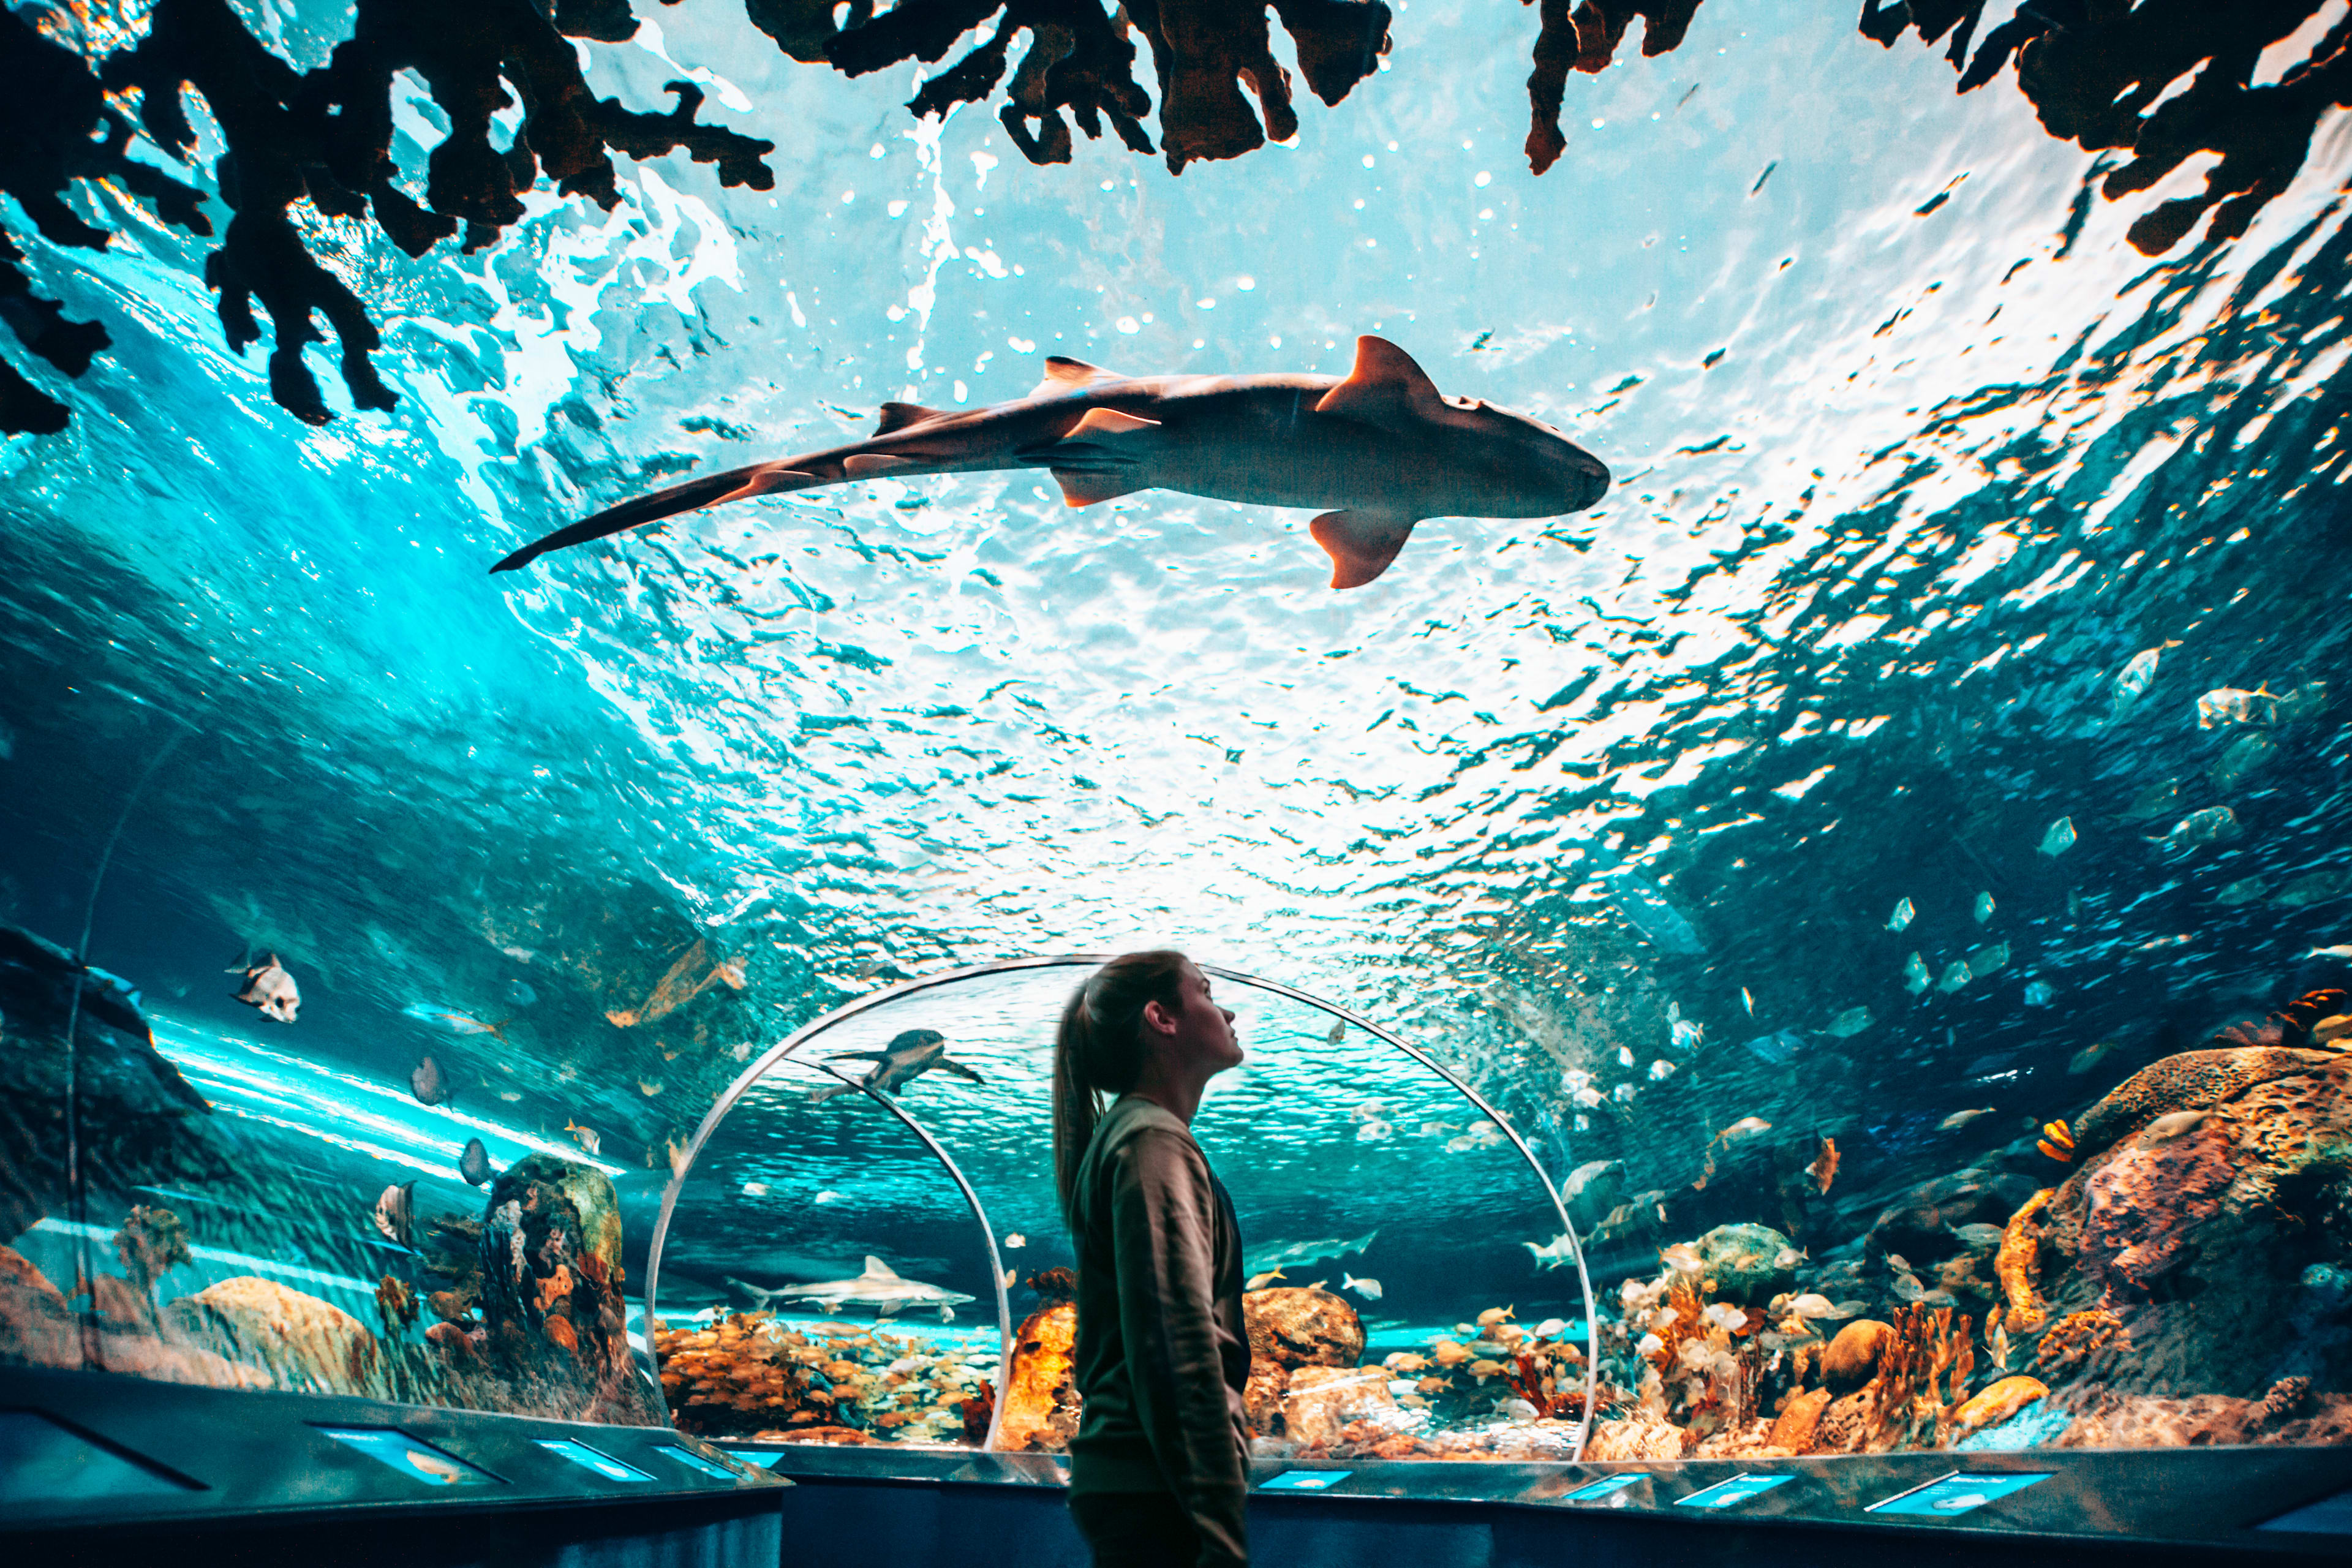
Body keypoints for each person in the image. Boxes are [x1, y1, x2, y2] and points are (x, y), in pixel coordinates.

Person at [1054, 951, 1251, 1568]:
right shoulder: (1150, 1140)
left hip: (1146, 1484)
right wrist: (1218, 1522)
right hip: (1158, 1491)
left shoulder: (1137, 1134)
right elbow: (1174, 1342)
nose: (1228, 1009)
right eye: (1207, 990)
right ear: (1162, 1017)